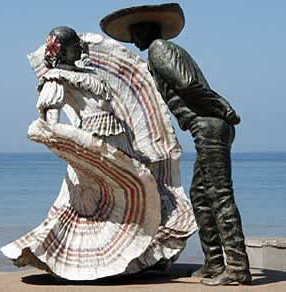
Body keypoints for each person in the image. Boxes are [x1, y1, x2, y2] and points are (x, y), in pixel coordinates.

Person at [1, 26, 197, 280]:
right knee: (98, 203)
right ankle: (90, 262)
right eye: (74, 44)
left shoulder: (88, 73)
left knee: (138, 197)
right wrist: (75, 146)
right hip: (92, 145)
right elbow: (50, 120)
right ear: (62, 50)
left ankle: (140, 258)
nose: (80, 47)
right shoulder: (55, 78)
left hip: (119, 140)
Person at [100, 3, 251, 286]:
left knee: (220, 196)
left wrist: (223, 108)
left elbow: (188, 84)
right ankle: (214, 263)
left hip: (209, 126)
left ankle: (238, 268)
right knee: (200, 197)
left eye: (136, 31)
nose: (133, 39)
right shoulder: (158, 54)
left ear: (149, 29)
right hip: (207, 128)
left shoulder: (159, 49)